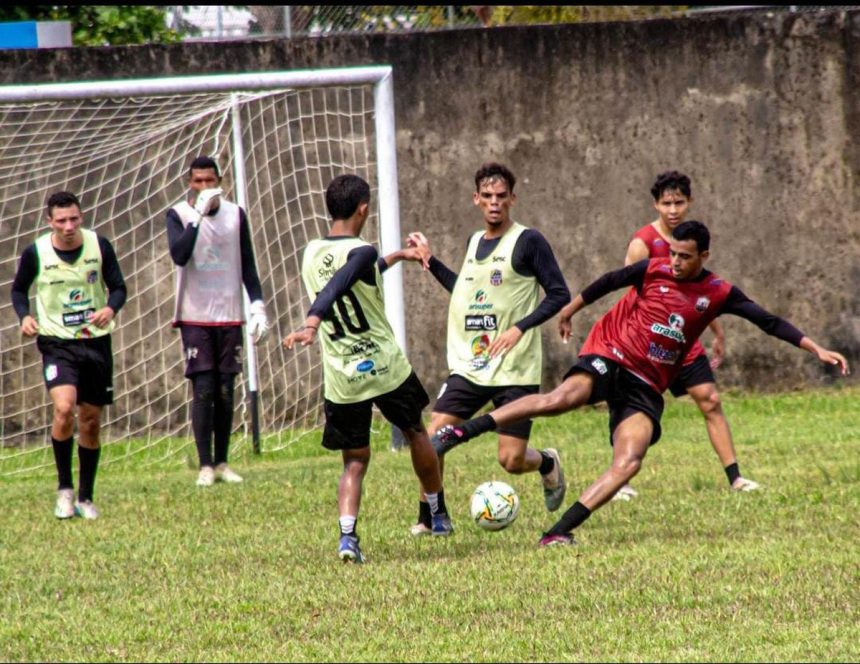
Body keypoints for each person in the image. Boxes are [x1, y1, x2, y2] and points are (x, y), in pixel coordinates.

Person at [430, 220, 849, 546]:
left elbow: (768, 321)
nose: (677, 262)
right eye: (674, 254)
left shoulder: (719, 292)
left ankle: (559, 531)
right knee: (560, 399)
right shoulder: (653, 268)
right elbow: (607, 282)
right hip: (610, 355)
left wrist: (816, 349)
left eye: (686, 256)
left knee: (629, 461)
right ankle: (463, 431)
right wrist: (570, 310)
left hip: (647, 385)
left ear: (704, 254)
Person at [390, 162, 571, 536]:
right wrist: (430, 261)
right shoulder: (474, 242)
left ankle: (547, 463)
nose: (494, 203)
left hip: (515, 369)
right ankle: (433, 519)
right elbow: (465, 291)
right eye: (487, 196)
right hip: (472, 366)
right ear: (475, 199)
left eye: (501, 197)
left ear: (512, 199)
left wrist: (521, 327)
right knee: (433, 438)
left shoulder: (528, 241)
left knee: (511, 459)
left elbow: (559, 294)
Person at [283, 173, 452, 563]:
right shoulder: (360, 250)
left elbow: (352, 274)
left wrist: (396, 257)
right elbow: (341, 281)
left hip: (344, 376)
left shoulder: (310, 253)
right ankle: (437, 512)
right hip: (384, 366)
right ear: (364, 208)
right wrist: (312, 321)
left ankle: (347, 538)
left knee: (355, 461)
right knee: (416, 432)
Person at [612, 171, 758, 501]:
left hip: (683, 341)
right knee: (632, 407)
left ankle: (736, 478)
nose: (673, 209)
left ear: (689, 202)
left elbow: (699, 297)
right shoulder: (643, 244)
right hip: (648, 343)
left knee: (710, 399)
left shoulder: (692, 241)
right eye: (667, 203)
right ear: (656, 205)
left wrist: (717, 332)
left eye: (679, 202)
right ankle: (620, 478)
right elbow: (630, 297)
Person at [11, 191, 127, 520]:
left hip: (95, 342)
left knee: (90, 421)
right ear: (50, 222)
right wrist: (25, 316)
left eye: (74, 218)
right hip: (56, 342)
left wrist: (109, 307)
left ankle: (86, 498)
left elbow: (119, 286)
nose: (68, 226)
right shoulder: (36, 251)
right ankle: (65, 490)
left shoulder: (98, 246)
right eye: (61, 220)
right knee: (64, 409)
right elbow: (19, 289)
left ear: (81, 216)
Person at [166, 156, 269, 487]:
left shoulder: (236, 215)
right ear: (189, 183)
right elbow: (179, 255)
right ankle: (205, 464)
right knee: (204, 388)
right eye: (198, 181)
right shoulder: (179, 215)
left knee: (226, 389)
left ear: (220, 181)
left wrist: (257, 306)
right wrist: (197, 216)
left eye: (210, 180)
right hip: (195, 315)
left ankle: (223, 461)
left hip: (228, 314)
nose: (205, 187)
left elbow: (248, 264)